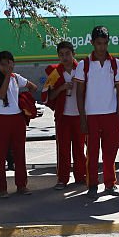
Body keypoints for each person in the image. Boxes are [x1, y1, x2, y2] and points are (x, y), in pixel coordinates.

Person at [75, 25, 119, 198]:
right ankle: (92, 185)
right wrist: (82, 119)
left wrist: (118, 115)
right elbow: (79, 93)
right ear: (92, 43)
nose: (102, 47)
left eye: (104, 43)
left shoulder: (116, 64)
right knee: (93, 152)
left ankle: (110, 184)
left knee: (110, 152)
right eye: (98, 43)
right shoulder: (84, 65)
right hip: (91, 116)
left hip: (111, 115)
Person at [0, 50, 39, 197]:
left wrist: (24, 97)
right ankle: (2, 188)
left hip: (17, 119)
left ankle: (22, 185)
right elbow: (1, 94)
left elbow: (33, 87)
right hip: (1, 119)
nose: (6, 67)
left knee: (20, 153)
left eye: (9, 63)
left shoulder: (16, 78)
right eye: (3, 64)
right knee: (1, 155)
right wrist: (6, 77)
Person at [43, 41, 87, 190]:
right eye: (61, 54)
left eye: (67, 54)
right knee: (63, 149)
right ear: (58, 56)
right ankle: (62, 179)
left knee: (79, 148)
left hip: (79, 115)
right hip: (63, 116)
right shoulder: (55, 73)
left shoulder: (81, 69)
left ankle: (81, 176)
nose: (65, 57)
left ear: (73, 54)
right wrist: (62, 87)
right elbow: (50, 95)